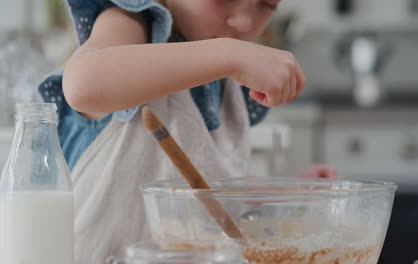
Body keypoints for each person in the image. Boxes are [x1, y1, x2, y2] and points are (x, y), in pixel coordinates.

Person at [38, 0, 333, 262]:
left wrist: (288, 191)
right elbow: (83, 84)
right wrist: (230, 53)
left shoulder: (224, 81)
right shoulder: (132, 24)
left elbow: (205, 185)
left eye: (267, 4)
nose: (244, 21)